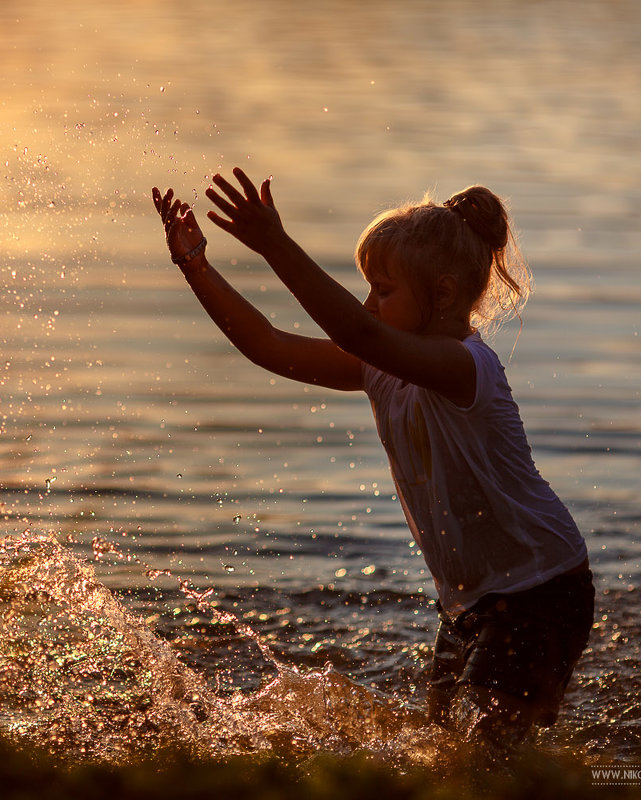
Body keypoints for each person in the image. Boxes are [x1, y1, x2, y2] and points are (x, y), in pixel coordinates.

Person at [151, 169, 594, 753]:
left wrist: (276, 244)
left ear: (440, 295)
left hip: (542, 586)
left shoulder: (467, 369)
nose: (368, 304)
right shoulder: (379, 367)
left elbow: (358, 331)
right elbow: (268, 345)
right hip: (470, 599)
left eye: (382, 290)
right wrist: (196, 268)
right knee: (443, 749)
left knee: (486, 757)